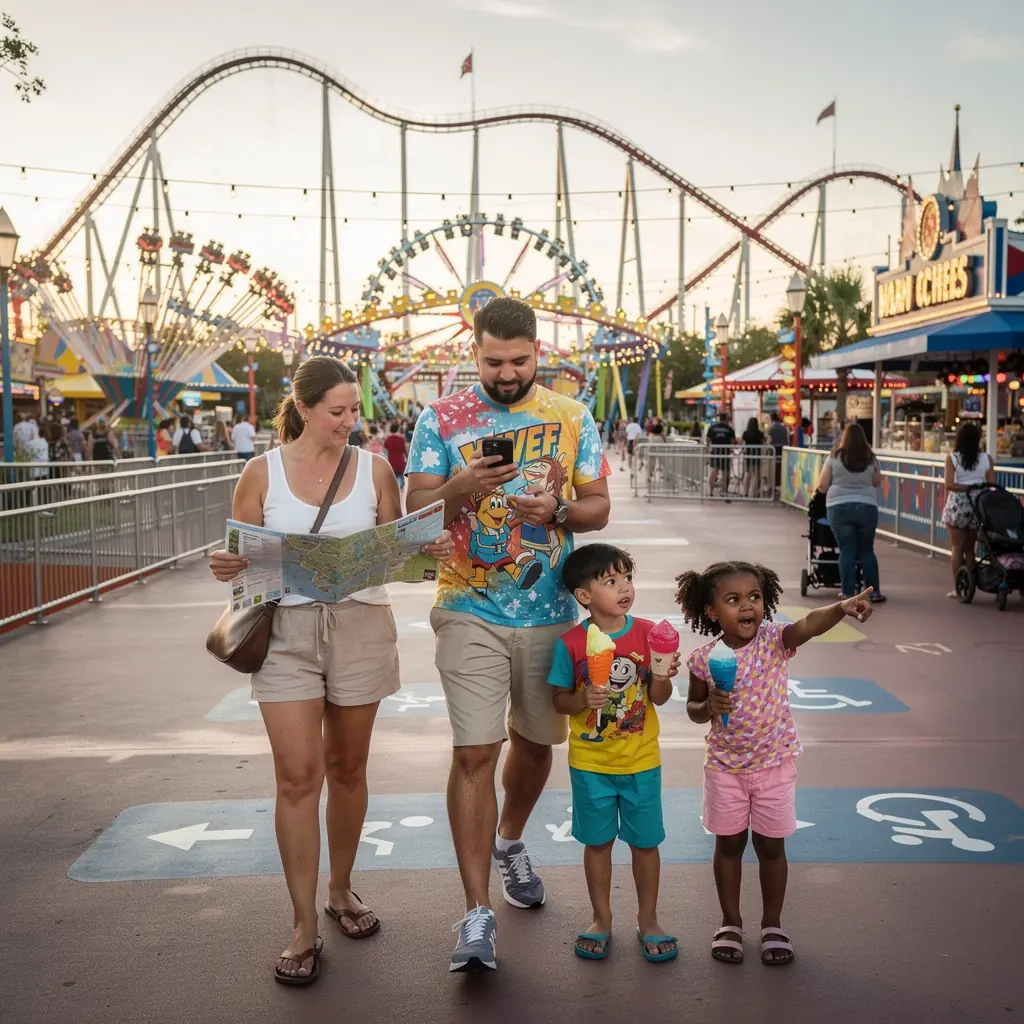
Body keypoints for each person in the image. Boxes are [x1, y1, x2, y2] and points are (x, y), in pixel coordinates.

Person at [208, 355, 454, 986]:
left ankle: (340, 889)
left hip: (361, 626)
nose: (350, 422)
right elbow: (242, 564)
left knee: (348, 768)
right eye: (337, 411)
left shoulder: (374, 470)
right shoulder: (260, 473)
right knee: (297, 777)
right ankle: (301, 924)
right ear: (305, 409)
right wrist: (229, 566)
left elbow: (398, 550)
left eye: (354, 411)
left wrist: (426, 547)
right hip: (285, 633)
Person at [405, 296, 611, 973]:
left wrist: (559, 510)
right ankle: (476, 910)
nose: (506, 373)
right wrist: (463, 484)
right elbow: (415, 507)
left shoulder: (572, 416)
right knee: (474, 751)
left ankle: (509, 838)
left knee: (536, 742)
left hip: (550, 611)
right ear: (474, 352)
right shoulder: (441, 418)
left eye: (519, 361)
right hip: (467, 605)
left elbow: (599, 507)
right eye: (493, 362)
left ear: (538, 352)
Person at [677, 561, 873, 967]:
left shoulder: (773, 640)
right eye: (733, 600)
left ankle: (772, 924)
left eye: (754, 597)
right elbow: (693, 709)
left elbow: (809, 625)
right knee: (729, 845)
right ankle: (730, 922)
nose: (747, 606)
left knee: (771, 846)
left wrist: (841, 608)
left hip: (774, 766)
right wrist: (708, 706)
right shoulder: (703, 659)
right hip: (725, 769)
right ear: (711, 612)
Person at [548, 544, 679, 963]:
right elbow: (559, 701)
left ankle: (648, 919)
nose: (624, 588)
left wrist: (662, 673)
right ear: (583, 595)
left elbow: (660, 697)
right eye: (611, 581)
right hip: (591, 764)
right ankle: (601, 919)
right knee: (598, 842)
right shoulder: (571, 643)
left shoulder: (649, 635)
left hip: (641, 761)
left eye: (627, 579)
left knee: (646, 843)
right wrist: (583, 699)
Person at [816, 423, 886, 603]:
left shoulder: (834, 457)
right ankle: (874, 592)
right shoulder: (870, 457)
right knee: (867, 550)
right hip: (867, 507)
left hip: (839, 507)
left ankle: (847, 593)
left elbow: (822, 485)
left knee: (846, 550)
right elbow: (876, 481)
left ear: (844, 437)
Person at [941, 421, 996, 598]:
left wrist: (966, 487)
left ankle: (959, 588)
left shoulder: (952, 458)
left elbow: (949, 484)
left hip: (958, 504)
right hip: (978, 504)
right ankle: (971, 587)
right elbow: (992, 484)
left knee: (957, 547)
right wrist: (976, 488)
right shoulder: (986, 458)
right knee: (970, 548)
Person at [705, 412, 736, 498]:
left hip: (715, 452)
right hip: (725, 453)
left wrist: (708, 450)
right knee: (725, 473)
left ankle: (711, 491)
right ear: (726, 419)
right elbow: (732, 441)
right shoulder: (729, 429)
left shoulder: (712, 428)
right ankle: (724, 491)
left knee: (713, 472)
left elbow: (708, 440)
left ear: (719, 418)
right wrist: (731, 450)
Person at [741, 416, 765, 498]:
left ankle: (745, 492)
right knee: (756, 475)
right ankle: (754, 493)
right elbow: (763, 443)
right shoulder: (760, 433)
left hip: (748, 455)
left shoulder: (745, 433)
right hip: (757, 455)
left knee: (747, 474)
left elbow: (743, 443)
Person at [383, 421, 408, 491]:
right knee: (401, 474)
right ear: (397, 429)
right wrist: (407, 457)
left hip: (391, 460)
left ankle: (394, 487)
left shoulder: (388, 439)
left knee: (393, 475)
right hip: (400, 460)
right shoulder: (401, 439)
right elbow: (404, 450)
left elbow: (385, 449)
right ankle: (402, 486)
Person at [767, 412, 788, 490]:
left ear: (771, 419)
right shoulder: (784, 428)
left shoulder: (771, 428)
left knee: (773, 468)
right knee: (781, 468)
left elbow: (769, 441)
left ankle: (773, 485)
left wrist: (766, 449)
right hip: (782, 450)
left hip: (774, 450)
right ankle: (781, 485)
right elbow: (787, 440)